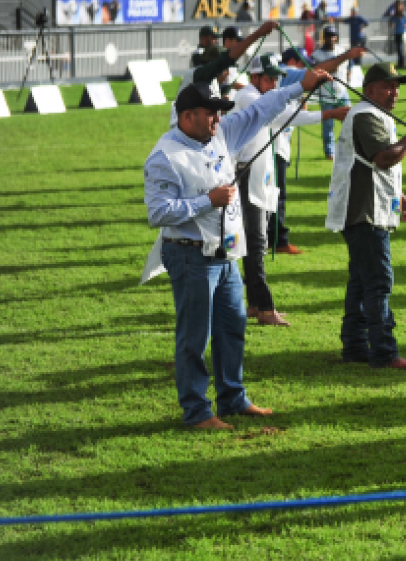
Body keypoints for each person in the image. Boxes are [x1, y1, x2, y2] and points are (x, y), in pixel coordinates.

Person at [142, 53, 334, 429]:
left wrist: (301, 86)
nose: (218, 119)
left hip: (226, 254)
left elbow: (261, 109)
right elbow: (158, 213)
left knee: (233, 327)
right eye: (211, 113)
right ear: (187, 116)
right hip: (190, 255)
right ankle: (197, 412)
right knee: (194, 338)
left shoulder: (219, 134)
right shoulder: (165, 156)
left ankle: (232, 398)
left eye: (219, 113)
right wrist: (207, 202)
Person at [326, 62, 406, 368]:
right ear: (370, 90)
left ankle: (355, 347)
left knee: (361, 282)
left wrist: (399, 195)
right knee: (378, 281)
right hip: (365, 212)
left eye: (397, 87)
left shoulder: (373, 114)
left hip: (366, 207)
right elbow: (384, 158)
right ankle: (384, 352)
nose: (394, 92)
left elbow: (373, 163)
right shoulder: (365, 115)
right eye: (388, 87)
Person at [232, 53, 349, 326]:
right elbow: (282, 114)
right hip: (247, 174)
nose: (274, 83)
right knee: (256, 242)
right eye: (269, 78)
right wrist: (329, 113)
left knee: (256, 241)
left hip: (260, 174)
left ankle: (255, 304)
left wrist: (310, 92)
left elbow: (284, 109)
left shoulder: (261, 95)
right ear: (255, 77)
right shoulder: (247, 97)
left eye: (276, 79)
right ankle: (265, 308)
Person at [269, 46, 368, 254]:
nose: (305, 68)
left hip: (279, 145)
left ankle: (274, 239)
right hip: (272, 147)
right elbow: (315, 71)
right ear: (293, 61)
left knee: (275, 195)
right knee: (276, 196)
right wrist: (348, 56)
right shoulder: (287, 71)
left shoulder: (285, 78)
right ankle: (278, 241)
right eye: (302, 63)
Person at [170, 21, 280, 129]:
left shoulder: (213, 82)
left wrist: (220, 108)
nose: (228, 73)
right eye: (225, 69)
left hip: (197, 130)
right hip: (182, 132)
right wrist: (259, 33)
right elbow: (224, 61)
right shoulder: (196, 75)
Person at [312, 26, 353, 161]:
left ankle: (351, 148)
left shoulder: (342, 51)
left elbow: (350, 64)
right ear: (324, 38)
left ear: (336, 37)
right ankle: (329, 152)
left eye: (333, 36)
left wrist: (349, 74)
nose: (331, 38)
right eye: (329, 36)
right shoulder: (317, 55)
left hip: (342, 91)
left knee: (350, 120)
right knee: (328, 124)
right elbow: (312, 71)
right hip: (326, 94)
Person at [386, 0, 406, 68]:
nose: (397, 8)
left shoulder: (405, 15)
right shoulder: (394, 16)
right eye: (396, 6)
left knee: (401, 49)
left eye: (399, 6)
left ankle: (402, 64)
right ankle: (400, 63)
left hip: (403, 34)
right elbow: (391, 24)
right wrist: (391, 23)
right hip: (397, 34)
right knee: (399, 49)